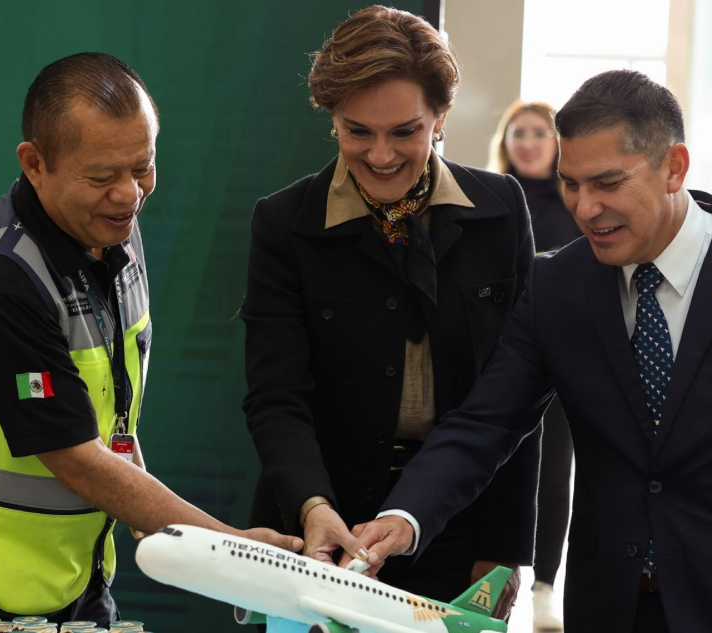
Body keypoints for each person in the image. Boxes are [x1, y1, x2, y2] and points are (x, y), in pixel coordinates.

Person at [347, 70, 712, 633]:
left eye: (606, 183)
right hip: (607, 609)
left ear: (674, 167)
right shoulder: (556, 287)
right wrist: (404, 516)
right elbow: (486, 422)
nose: (584, 208)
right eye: (571, 184)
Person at [0, 53, 300, 624]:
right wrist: (230, 549)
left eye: (143, 167)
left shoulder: (113, 232)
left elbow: (112, 412)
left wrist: (154, 517)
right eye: (103, 177)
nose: (129, 195)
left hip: (80, 572)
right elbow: (76, 460)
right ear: (35, 164)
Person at [240, 5, 539, 619]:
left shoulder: (501, 210)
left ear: (441, 118)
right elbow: (276, 397)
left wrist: (505, 547)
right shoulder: (284, 224)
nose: (380, 155)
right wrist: (312, 506)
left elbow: (516, 394)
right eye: (358, 131)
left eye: (405, 132)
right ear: (331, 118)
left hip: (460, 521)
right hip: (320, 527)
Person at [488, 99, 581, 632]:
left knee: (554, 470)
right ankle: (496, 576)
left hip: (565, 356)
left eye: (539, 132)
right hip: (503, 357)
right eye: (517, 132)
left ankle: (545, 587)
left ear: (557, 143)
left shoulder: (576, 203)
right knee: (496, 464)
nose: (527, 142)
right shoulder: (490, 202)